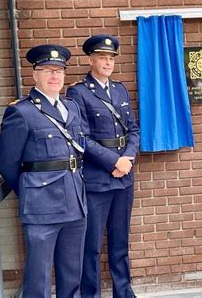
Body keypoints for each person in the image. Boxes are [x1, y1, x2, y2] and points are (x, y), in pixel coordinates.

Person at [0, 44, 87, 297]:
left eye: (59, 70)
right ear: (35, 74)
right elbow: (6, 161)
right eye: (47, 70)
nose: (54, 75)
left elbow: (78, 151)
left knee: (72, 274)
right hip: (41, 207)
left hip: (75, 202)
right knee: (39, 277)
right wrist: (31, 191)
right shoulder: (20, 112)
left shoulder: (72, 108)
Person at [66, 34, 140, 298]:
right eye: (102, 57)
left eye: (111, 58)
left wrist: (128, 159)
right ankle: (91, 294)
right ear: (90, 60)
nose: (107, 62)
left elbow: (133, 130)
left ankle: (124, 292)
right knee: (92, 246)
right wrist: (114, 162)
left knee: (120, 242)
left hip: (124, 177)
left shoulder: (119, 89)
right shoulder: (78, 92)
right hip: (98, 179)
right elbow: (80, 138)